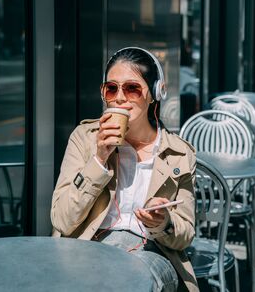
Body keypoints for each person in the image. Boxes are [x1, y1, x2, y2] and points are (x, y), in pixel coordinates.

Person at [51, 47, 198, 291]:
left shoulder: (180, 154)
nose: (119, 97)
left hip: (151, 250)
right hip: (91, 245)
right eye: (111, 88)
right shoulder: (85, 139)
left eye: (132, 89)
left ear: (154, 93)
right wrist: (98, 160)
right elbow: (61, 220)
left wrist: (163, 222)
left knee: (128, 280)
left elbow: (185, 234)